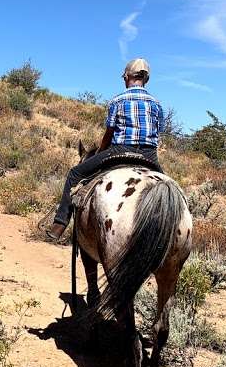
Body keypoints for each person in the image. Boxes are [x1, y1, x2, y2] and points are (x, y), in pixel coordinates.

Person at [45, 57, 163, 241]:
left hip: (119, 150)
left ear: (127, 77)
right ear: (146, 79)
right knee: (170, 187)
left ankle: (59, 224)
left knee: (74, 174)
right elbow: (157, 133)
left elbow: (109, 132)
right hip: (149, 155)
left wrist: (101, 152)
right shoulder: (156, 103)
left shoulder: (117, 100)